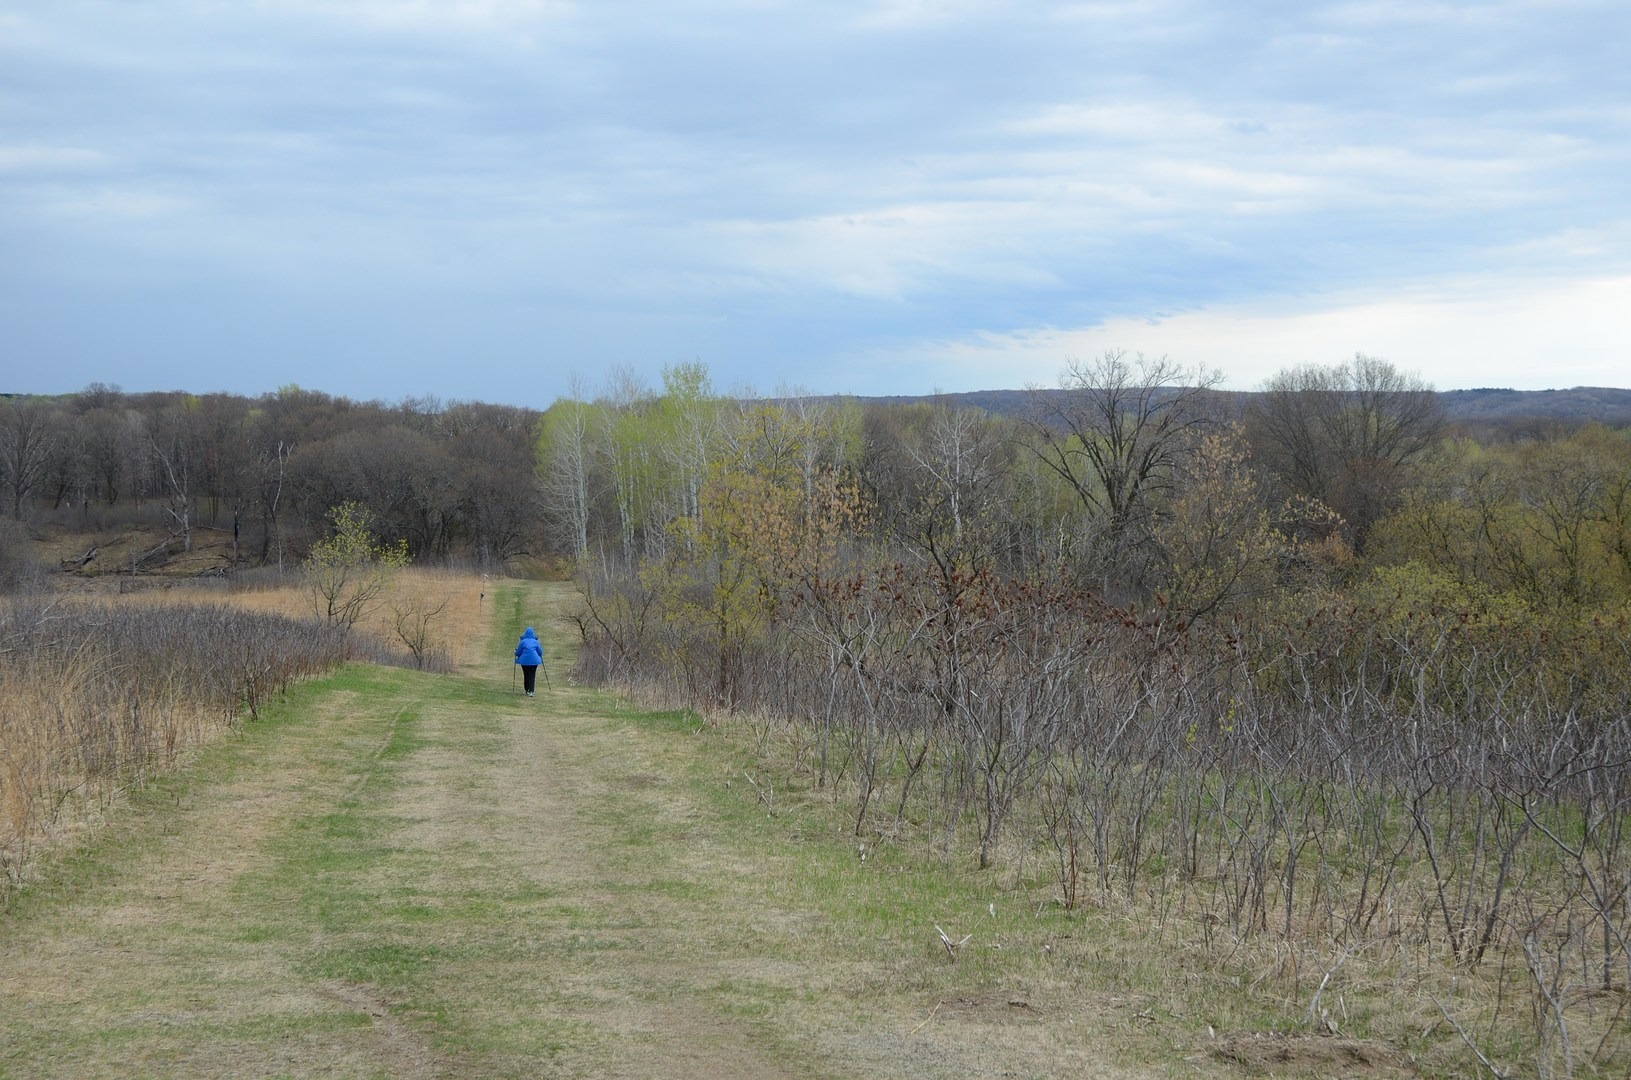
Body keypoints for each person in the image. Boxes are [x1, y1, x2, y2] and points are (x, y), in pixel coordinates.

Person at [514, 626, 544, 696]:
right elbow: (540, 652)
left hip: (524, 661)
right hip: (534, 661)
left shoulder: (523, 642)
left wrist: (515, 652)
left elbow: (518, 652)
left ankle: (527, 689)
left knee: (526, 674)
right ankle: (531, 691)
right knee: (532, 675)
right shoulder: (536, 642)